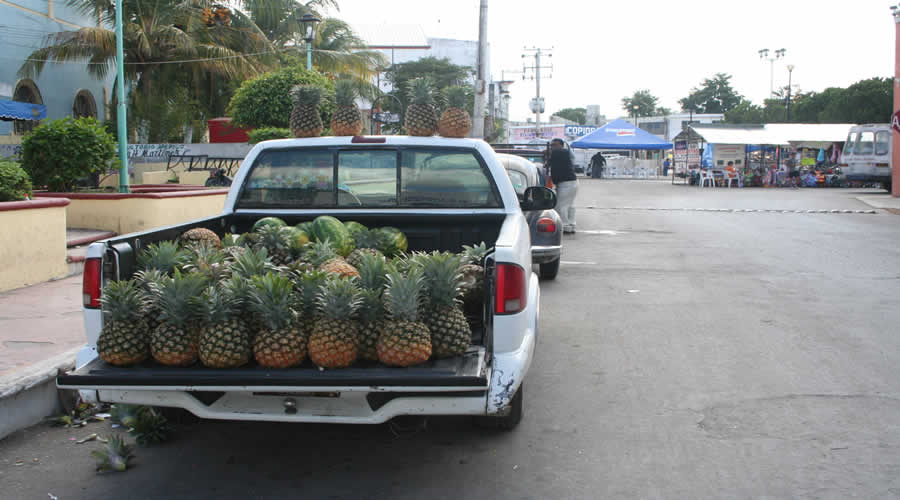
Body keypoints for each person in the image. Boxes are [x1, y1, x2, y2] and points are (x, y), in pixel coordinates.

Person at [547, 138, 578, 233]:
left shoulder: (563, 152)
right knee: (569, 205)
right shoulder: (560, 154)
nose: (553, 147)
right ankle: (571, 224)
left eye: (555, 145)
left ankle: (565, 225)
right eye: (552, 145)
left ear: (561, 145)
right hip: (570, 182)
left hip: (567, 183)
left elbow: (558, 154)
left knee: (561, 205)